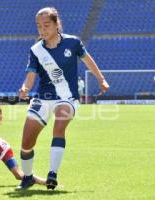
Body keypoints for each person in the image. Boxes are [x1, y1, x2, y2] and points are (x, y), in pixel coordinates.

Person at [17, 7, 109, 190]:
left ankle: (52, 174)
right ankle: (28, 177)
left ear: (56, 24)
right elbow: (30, 76)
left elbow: (88, 61)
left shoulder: (73, 43)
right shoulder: (36, 50)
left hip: (67, 98)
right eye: (39, 26)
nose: (42, 30)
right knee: (27, 142)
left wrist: (101, 80)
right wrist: (25, 88)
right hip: (43, 98)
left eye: (46, 25)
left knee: (59, 124)